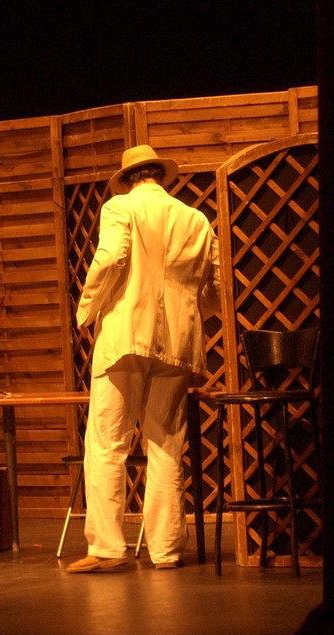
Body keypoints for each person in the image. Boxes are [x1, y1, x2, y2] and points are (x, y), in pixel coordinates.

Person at [68, 145, 221, 573]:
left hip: (126, 335)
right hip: (179, 343)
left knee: (107, 441)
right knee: (166, 443)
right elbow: (214, 286)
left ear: (128, 179)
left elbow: (110, 259)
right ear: (159, 176)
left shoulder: (121, 207)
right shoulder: (196, 219)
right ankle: (166, 550)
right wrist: (189, 314)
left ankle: (108, 548)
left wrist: (86, 310)